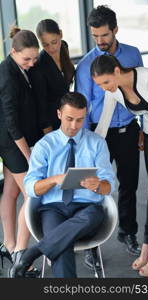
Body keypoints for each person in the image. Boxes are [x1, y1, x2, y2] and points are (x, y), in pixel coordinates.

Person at [90, 54, 148, 277]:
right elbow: (104, 123)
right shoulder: (113, 91)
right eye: (100, 85)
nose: (105, 88)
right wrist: (90, 150)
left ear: (116, 71)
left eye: (105, 82)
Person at [8, 92, 115, 278]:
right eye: (69, 119)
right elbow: (31, 187)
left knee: (92, 215)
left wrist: (98, 185)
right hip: (53, 209)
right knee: (62, 246)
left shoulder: (97, 143)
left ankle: (33, 253)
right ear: (59, 114)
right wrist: (54, 179)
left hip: (87, 208)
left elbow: (109, 186)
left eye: (80, 120)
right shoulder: (45, 145)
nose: (74, 126)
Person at [75, 5, 143, 268]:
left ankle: (128, 233)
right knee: (94, 189)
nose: (100, 41)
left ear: (115, 30)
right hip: (97, 134)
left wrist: (143, 127)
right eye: (95, 37)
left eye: (104, 35)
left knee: (129, 185)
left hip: (128, 129)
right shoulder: (84, 66)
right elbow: (82, 106)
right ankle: (92, 243)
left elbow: (141, 94)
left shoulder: (134, 55)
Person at [0, 26, 51, 276]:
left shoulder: (20, 68)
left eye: (35, 58)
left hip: (15, 139)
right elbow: (11, 123)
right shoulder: (7, 75)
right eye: (26, 59)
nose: (32, 63)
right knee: (33, 195)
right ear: (13, 52)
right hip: (10, 141)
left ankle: (9, 246)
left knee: (10, 192)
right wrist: (29, 156)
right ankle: (22, 258)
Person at [36, 19, 75, 130]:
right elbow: (41, 105)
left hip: (68, 115)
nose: (51, 48)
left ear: (61, 34)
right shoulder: (39, 65)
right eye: (45, 45)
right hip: (52, 121)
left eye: (54, 42)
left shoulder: (64, 47)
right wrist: (49, 134)